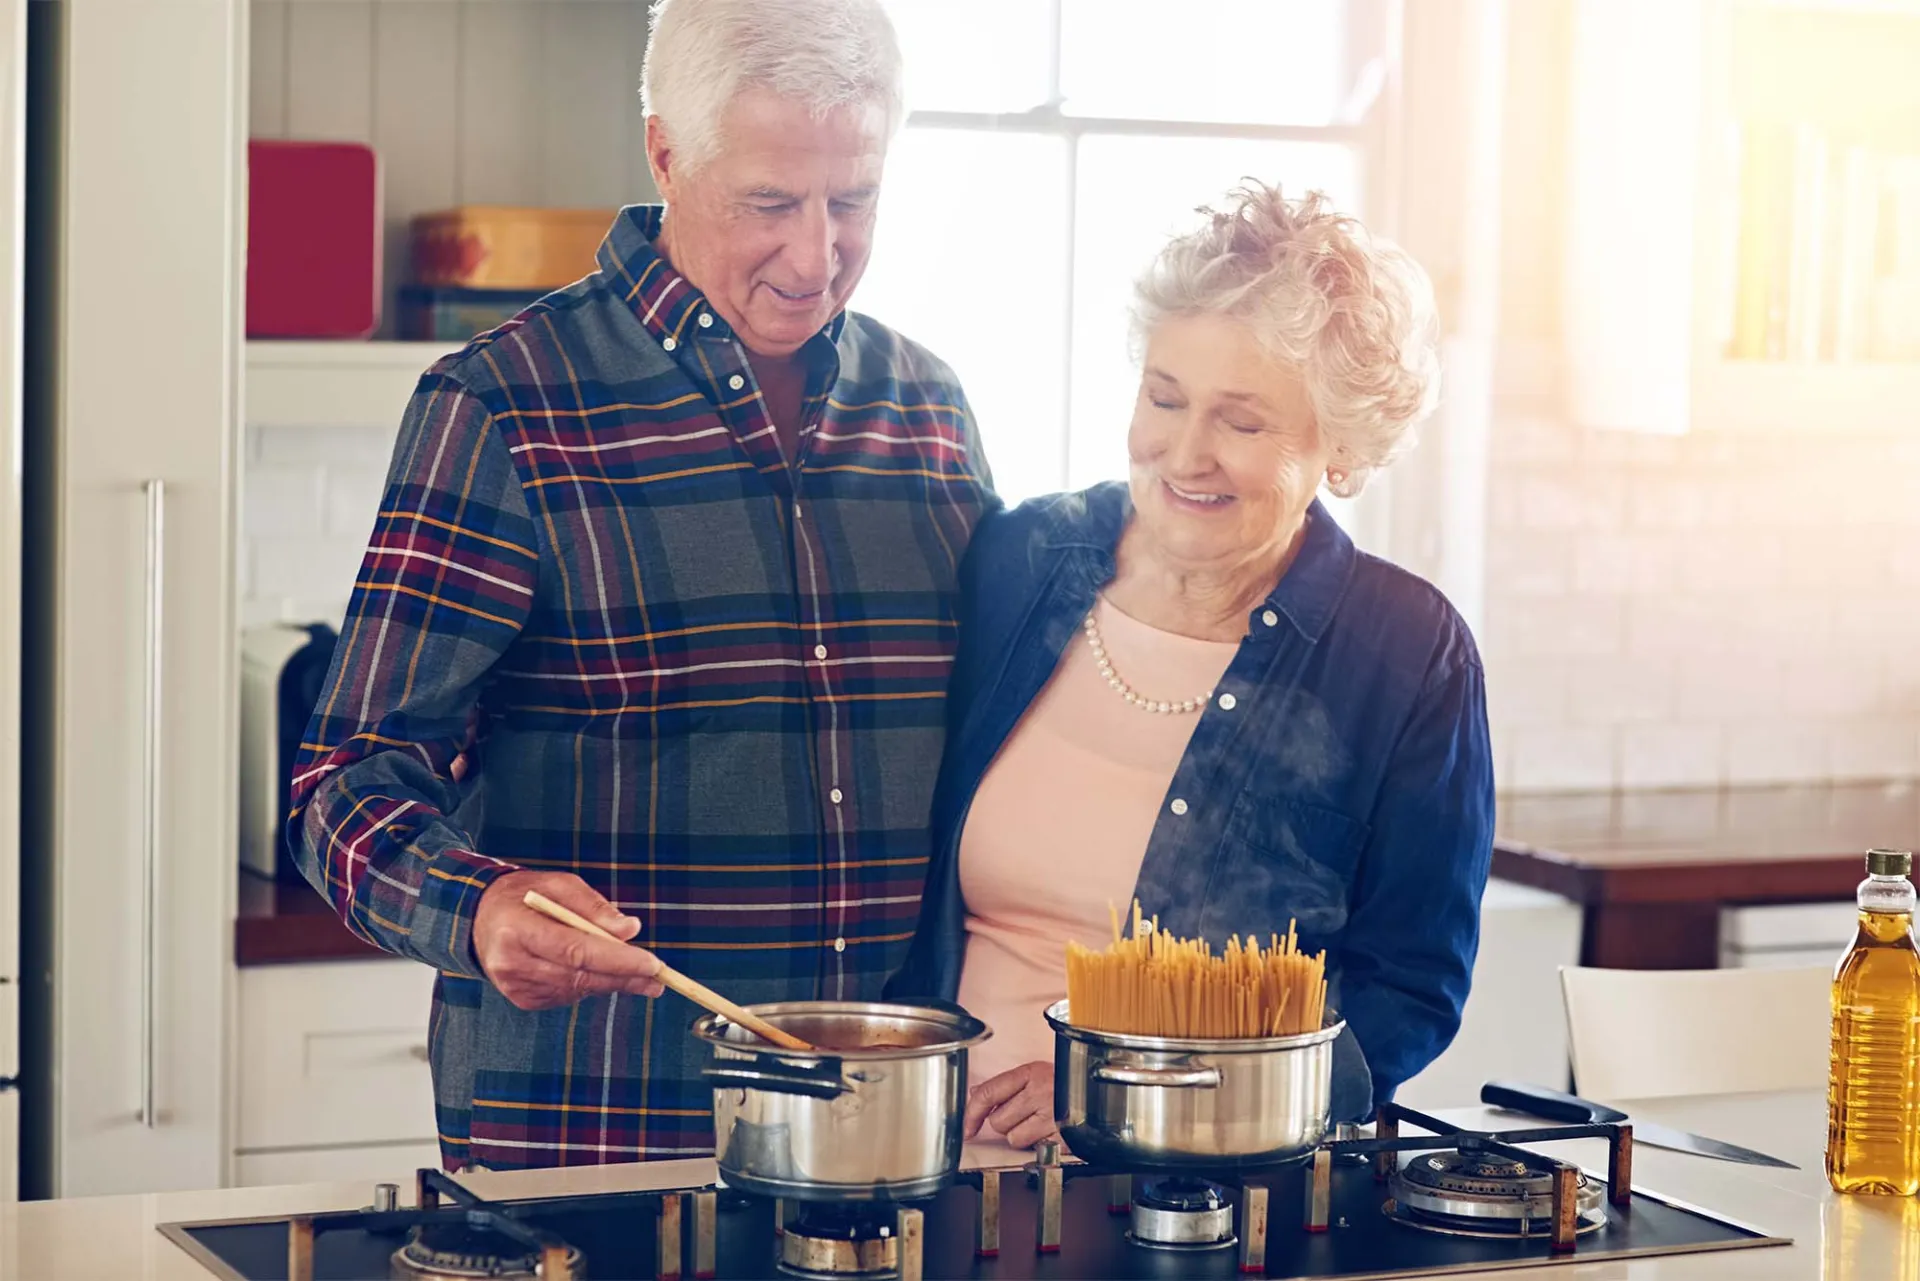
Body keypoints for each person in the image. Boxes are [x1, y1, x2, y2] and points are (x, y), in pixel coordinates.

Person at [288, 0, 993, 1172]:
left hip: (878, 1138)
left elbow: (992, 750)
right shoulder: (506, 406)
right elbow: (342, 781)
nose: (817, 255)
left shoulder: (927, 410)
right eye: (771, 202)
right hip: (604, 1132)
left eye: (853, 200)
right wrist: (477, 909)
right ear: (668, 153)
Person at [887, 182, 1492, 1150]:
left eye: (1243, 423)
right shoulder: (1021, 561)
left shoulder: (1405, 650)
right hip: (933, 1149)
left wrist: (1139, 1090)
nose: (1186, 454)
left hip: (1216, 1175)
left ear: (1339, 445)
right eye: (1164, 399)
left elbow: (1410, 986)